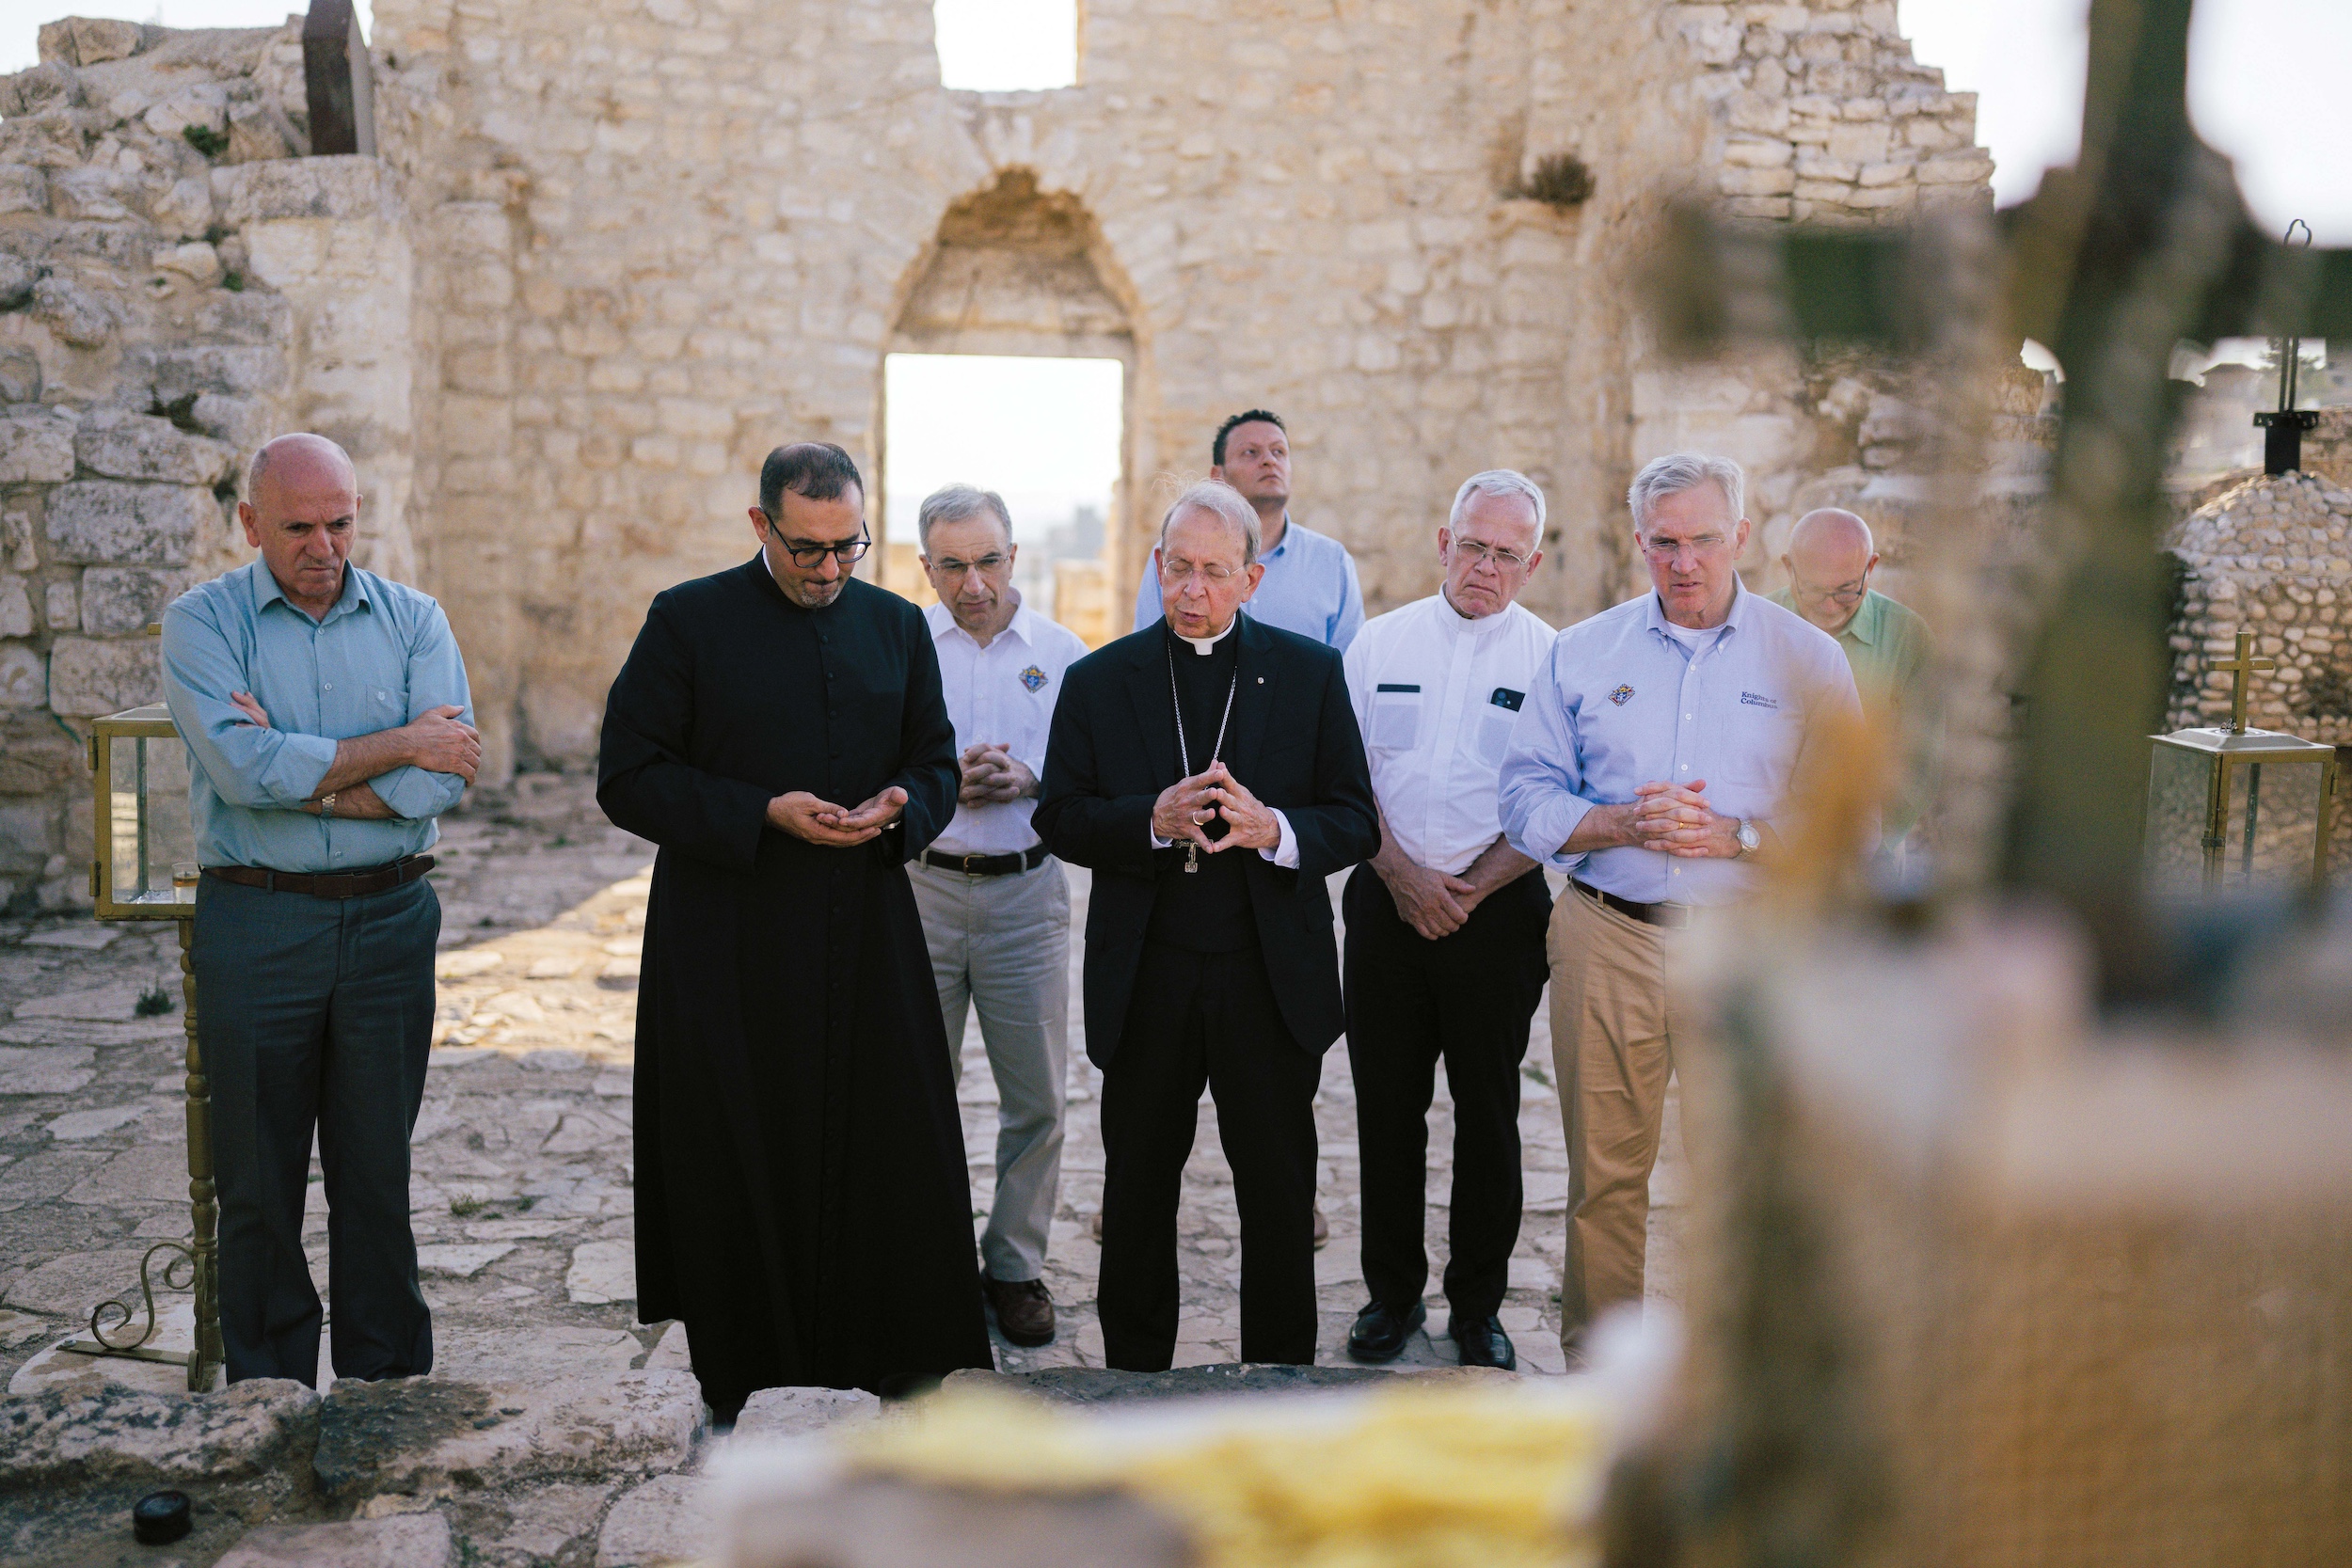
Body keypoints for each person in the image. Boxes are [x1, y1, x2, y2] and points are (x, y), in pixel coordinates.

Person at [596, 441, 992, 1415]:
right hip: (725, 937)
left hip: (864, 928)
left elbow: (935, 761)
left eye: (845, 548)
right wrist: (759, 810)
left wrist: (905, 802)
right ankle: (747, 1366)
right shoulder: (688, 620)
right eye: (806, 549)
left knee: (887, 1139)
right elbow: (628, 775)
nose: (826, 570)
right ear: (761, 525)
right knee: (739, 1142)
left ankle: (892, 1359)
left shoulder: (899, 626)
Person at [1498, 452, 1860, 1355]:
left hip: (1747, 948)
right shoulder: (1582, 653)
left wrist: (1740, 838)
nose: (1684, 561)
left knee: (1738, 1180)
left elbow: (1853, 820)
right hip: (1606, 936)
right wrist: (1614, 821)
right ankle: (1602, 1371)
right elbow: (1523, 797)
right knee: (1604, 1177)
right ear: (1639, 542)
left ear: (1741, 536)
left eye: (1703, 539)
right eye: (1665, 542)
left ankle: (1728, 1384)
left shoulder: (1808, 658)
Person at [1037, 481, 1378, 1371]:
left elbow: (1356, 818)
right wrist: (1149, 819)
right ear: (1157, 568)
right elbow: (1060, 817)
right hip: (1147, 974)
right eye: (1179, 568)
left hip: (1267, 980)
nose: (1194, 589)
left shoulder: (1310, 674)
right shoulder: (1099, 680)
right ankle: (1135, 1377)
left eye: (1215, 572)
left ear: (1251, 580)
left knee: (1276, 1194)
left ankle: (1280, 1377)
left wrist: (1277, 830)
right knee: (1139, 1190)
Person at [160, 433, 478, 1386]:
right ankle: (269, 1394)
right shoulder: (202, 624)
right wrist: (397, 744)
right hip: (258, 922)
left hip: (389, 920)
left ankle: (384, 1388)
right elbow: (239, 765)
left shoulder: (416, 619)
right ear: (250, 522)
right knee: (256, 1184)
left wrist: (312, 772)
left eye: (340, 522)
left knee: (376, 1176)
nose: (323, 545)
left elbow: (444, 779)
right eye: (298, 526)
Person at [1340, 470, 1557, 1372]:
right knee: (1387, 1111)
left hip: (1497, 914)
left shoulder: (1554, 661)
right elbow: (1345, 779)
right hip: (1387, 904)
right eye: (1473, 545)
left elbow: (1557, 802)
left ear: (1532, 563)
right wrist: (1404, 878)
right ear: (1443, 541)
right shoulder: (1375, 644)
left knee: (1489, 1112)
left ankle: (1478, 1306)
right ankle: (1391, 1296)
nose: (1486, 566)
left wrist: (1466, 887)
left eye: (1508, 553)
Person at [908, 483, 1089, 1349]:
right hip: (923, 891)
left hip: (1026, 892)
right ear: (926, 568)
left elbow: (1093, 774)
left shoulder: (1063, 654)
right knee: (916, 1088)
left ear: (1014, 556)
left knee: (1036, 1097)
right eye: (952, 565)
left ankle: (1014, 1266)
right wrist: (944, 780)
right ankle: (926, 1261)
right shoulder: (903, 647)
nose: (972, 582)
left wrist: (1031, 780)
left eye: (987, 561)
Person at [1771, 507, 1937, 846]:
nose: (1830, 606)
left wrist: (1866, 841)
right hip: (1767, 853)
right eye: (1815, 590)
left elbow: (1920, 768)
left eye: (1847, 590)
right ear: (1789, 568)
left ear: (1871, 567)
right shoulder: (1757, 625)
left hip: (1867, 856)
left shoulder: (1907, 636)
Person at [1132, 409, 1363, 651]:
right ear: (1217, 477)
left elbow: (1349, 669)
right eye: (1250, 452)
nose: (1269, 461)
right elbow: (1149, 652)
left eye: (1279, 452)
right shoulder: (1172, 559)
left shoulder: (1331, 561)